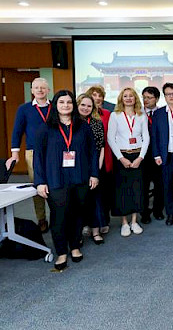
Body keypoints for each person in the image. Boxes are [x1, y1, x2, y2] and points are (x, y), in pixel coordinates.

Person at [34, 90, 99, 270]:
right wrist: (40, 182)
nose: (65, 105)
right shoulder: (45, 128)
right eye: (61, 102)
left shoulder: (83, 127)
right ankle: (62, 251)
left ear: (73, 105)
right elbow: (38, 157)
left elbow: (93, 152)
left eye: (69, 102)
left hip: (80, 177)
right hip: (55, 179)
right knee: (59, 216)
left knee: (77, 214)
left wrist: (94, 174)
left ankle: (75, 247)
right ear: (55, 104)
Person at [7, 77, 51, 233]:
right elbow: (17, 132)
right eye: (36, 88)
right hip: (33, 152)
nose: (40, 90)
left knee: (56, 184)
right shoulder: (24, 109)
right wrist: (15, 154)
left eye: (43, 87)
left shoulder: (56, 107)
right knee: (37, 185)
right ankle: (41, 219)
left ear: (48, 90)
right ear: (32, 90)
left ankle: (58, 217)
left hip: (54, 152)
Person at [108, 87, 150, 237]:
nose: (128, 98)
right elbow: (110, 138)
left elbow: (146, 138)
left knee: (136, 189)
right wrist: (121, 158)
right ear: (121, 99)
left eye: (131, 96)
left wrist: (141, 157)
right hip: (122, 157)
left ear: (135, 98)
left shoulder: (141, 115)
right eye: (125, 96)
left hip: (138, 156)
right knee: (122, 190)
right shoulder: (115, 115)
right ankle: (124, 223)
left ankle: (134, 221)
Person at [151, 83, 173, 226]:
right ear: (164, 97)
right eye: (168, 94)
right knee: (167, 187)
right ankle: (170, 214)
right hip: (166, 157)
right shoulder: (158, 114)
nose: (171, 96)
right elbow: (154, 136)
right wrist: (156, 155)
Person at [77, 94, 106, 245]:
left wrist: (97, 169)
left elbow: (100, 147)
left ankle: (96, 231)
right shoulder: (71, 122)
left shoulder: (96, 123)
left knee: (94, 200)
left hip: (93, 166)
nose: (86, 108)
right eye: (83, 105)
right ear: (77, 105)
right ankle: (79, 233)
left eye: (89, 106)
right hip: (75, 168)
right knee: (79, 201)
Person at [86, 85, 114, 234]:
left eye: (100, 96)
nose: (97, 98)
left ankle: (104, 220)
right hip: (86, 160)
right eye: (94, 95)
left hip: (105, 155)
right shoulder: (82, 115)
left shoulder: (108, 114)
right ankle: (89, 223)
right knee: (88, 193)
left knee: (104, 192)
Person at [141, 86, 164, 224]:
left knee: (159, 184)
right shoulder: (138, 113)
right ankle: (144, 212)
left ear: (156, 98)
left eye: (149, 97)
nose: (146, 100)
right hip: (142, 155)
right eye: (144, 97)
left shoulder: (161, 113)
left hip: (158, 154)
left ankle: (158, 210)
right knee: (143, 185)